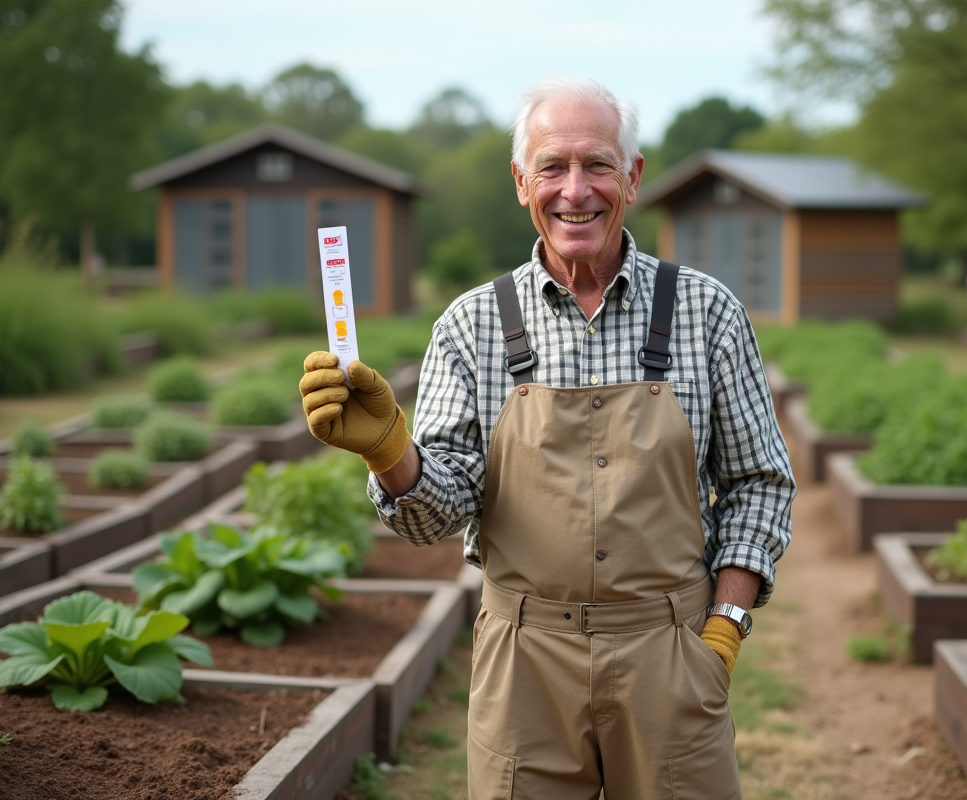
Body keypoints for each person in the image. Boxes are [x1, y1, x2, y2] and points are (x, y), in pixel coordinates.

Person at [299, 74, 795, 799]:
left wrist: (724, 626)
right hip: (523, 657)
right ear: (519, 181)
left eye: (596, 164)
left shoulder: (706, 312)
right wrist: (390, 453)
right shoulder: (471, 325)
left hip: (670, 649)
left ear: (633, 176)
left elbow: (760, 484)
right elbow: (436, 512)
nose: (575, 190)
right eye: (552, 167)